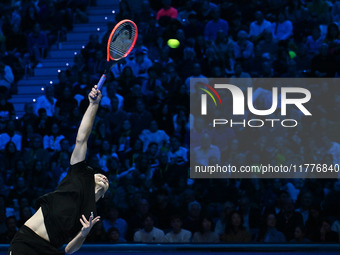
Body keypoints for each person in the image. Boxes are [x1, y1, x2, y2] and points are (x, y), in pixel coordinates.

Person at [8, 85, 109, 254]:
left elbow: (69, 249)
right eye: (101, 175)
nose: (105, 178)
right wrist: (93, 105)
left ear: (103, 195)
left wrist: (83, 234)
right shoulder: (79, 174)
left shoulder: (91, 214)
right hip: (27, 242)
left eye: (107, 181)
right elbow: (81, 139)